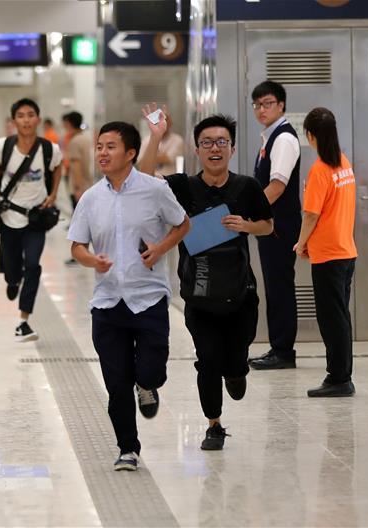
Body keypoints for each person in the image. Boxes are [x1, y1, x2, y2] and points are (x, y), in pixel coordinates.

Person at [139, 107, 272, 449]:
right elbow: (142, 178)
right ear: (196, 150)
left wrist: (247, 226)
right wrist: (156, 136)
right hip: (198, 296)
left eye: (222, 142)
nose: (215, 148)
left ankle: (238, 369)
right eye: (208, 142)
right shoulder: (182, 187)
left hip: (241, 294)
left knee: (234, 358)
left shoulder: (247, 187)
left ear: (231, 148)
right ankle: (214, 424)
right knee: (207, 360)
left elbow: (268, 225)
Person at [67, 121, 190, 471]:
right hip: (107, 304)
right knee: (117, 384)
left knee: (150, 369)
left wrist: (161, 247)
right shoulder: (91, 198)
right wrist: (92, 259)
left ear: (131, 153)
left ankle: (148, 385)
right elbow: (77, 245)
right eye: (100, 147)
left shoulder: (154, 190)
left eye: (110, 147)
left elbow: (183, 223)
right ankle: (127, 448)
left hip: (148, 297)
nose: (102, 153)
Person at [291, 108, 357, 397]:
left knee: (332, 320)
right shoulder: (343, 164)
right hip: (345, 251)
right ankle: (341, 374)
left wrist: (300, 243)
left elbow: (311, 215)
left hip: (329, 254)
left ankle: (339, 378)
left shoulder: (320, 170)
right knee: (339, 317)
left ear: (311, 135)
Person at [0, 98, 63, 341]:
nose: (26, 120)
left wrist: (53, 194)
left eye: (31, 115)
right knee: (12, 268)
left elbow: (58, 168)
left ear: (38, 119)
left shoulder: (50, 149)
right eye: (21, 115)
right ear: (14, 121)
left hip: (35, 218)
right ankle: (11, 279)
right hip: (9, 215)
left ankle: (24, 320)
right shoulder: (3, 146)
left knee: (32, 264)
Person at [247, 80, 301, 371]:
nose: (260, 109)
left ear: (281, 105)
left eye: (267, 103)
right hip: (270, 224)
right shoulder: (269, 137)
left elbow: (278, 186)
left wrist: (250, 215)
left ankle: (283, 351)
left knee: (279, 286)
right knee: (274, 286)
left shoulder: (283, 139)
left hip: (279, 226)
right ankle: (278, 347)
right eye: (256, 104)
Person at [137, 112, 185, 177]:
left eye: (165, 121)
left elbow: (167, 159)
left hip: (168, 180)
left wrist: (148, 158)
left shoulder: (177, 140)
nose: (162, 123)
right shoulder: (146, 140)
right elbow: (140, 162)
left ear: (170, 123)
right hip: (149, 179)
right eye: (159, 120)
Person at [63, 112, 93, 210]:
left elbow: (76, 166)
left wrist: (78, 189)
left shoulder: (75, 142)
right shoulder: (87, 139)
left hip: (80, 186)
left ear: (69, 124)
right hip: (88, 184)